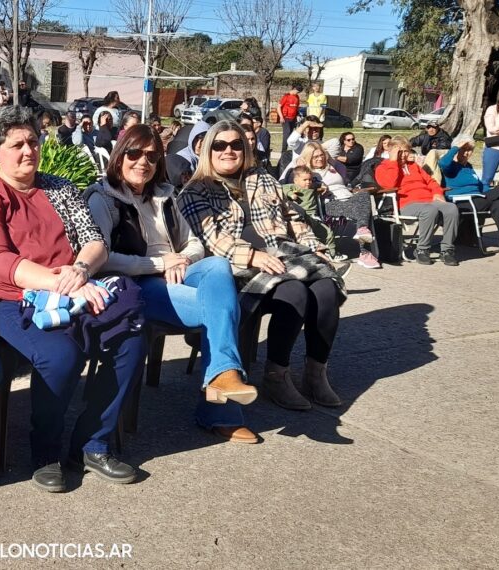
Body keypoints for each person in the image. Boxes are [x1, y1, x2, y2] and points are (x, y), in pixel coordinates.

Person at [0, 106, 146, 493]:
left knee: (132, 328)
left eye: (33, 141)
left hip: (75, 287)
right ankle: (44, 451)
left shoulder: (59, 188)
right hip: (17, 300)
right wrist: (62, 284)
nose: (29, 150)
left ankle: (92, 442)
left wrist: (79, 271)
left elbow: (95, 242)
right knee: (61, 354)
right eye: (17, 145)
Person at [84, 125, 259, 444]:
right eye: (134, 153)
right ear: (119, 155)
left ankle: (222, 377)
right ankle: (220, 408)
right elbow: (102, 256)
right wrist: (158, 264)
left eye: (152, 156)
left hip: (177, 274)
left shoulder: (164, 195)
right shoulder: (103, 198)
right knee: (223, 308)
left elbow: (194, 245)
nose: (143, 162)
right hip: (137, 284)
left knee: (217, 266)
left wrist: (181, 261)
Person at [178, 120, 346, 411]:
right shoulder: (195, 190)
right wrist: (254, 257)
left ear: (245, 148)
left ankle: (315, 372)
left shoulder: (264, 179)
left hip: (283, 253)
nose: (228, 150)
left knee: (327, 288)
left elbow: (294, 217)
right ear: (208, 151)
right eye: (219, 145)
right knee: (294, 291)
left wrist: (316, 246)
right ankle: (276, 375)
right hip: (237, 267)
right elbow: (211, 239)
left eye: (236, 145)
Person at [293, 142, 380, 269]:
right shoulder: (308, 173)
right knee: (363, 213)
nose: (320, 158)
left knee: (364, 196)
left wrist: (319, 146)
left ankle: (362, 233)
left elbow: (335, 143)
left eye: (321, 155)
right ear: (308, 158)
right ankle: (365, 252)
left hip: (349, 198)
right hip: (330, 203)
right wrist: (316, 185)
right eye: (315, 156)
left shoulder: (331, 166)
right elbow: (298, 184)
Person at [375, 136, 460, 266]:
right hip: (406, 204)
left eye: (406, 151)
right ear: (391, 151)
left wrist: (437, 192)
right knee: (429, 210)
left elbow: (430, 181)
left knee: (451, 208)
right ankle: (422, 249)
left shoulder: (414, 166)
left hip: (429, 200)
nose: (403, 155)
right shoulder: (383, 167)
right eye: (400, 152)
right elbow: (388, 184)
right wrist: (393, 161)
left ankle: (447, 250)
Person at [165, 120, 210, 188]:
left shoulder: (211, 156)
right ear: (191, 139)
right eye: (195, 140)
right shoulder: (186, 159)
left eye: (202, 141)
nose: (198, 145)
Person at [281, 115, 324, 179]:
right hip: (299, 176)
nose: (314, 131)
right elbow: (290, 141)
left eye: (316, 128)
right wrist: (306, 124)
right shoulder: (300, 142)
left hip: (319, 175)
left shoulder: (323, 144)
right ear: (304, 130)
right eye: (310, 128)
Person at [279, 85, 301, 152]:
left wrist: (298, 115)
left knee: (291, 135)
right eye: (297, 91)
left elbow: (296, 108)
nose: (297, 93)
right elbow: (278, 107)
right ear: (294, 89)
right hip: (286, 118)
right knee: (286, 134)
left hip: (293, 119)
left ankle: (290, 150)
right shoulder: (286, 96)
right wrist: (281, 117)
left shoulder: (297, 97)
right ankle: (283, 151)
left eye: (299, 92)